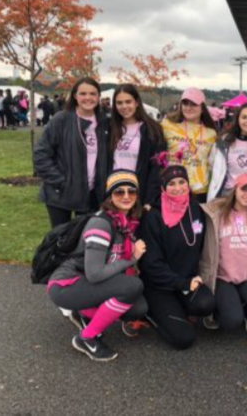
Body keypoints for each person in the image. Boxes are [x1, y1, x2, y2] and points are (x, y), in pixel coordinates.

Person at [47, 170, 148, 362]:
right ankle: (86, 338)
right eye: (119, 192)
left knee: (138, 308)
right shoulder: (101, 224)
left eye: (131, 192)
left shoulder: (126, 222)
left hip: (87, 283)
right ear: (109, 196)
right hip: (67, 284)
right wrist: (131, 258)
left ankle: (84, 313)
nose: (126, 196)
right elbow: (94, 274)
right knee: (132, 287)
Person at [139, 164, 215, 349]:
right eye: (171, 183)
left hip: (187, 280)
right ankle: (148, 313)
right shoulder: (153, 217)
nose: (178, 187)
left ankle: (175, 311)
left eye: (182, 181)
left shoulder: (196, 209)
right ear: (163, 188)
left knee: (207, 304)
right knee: (183, 339)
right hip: (159, 285)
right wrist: (182, 283)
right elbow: (151, 265)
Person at [199, 173, 247, 335]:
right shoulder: (216, 213)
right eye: (244, 189)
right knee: (231, 321)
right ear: (234, 189)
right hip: (222, 277)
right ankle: (220, 309)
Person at [34, 77, 109, 228]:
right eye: (83, 93)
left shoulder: (105, 122)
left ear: (98, 96)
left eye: (93, 94)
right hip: (61, 194)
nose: (88, 98)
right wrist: (60, 182)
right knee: (61, 240)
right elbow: (41, 154)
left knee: (87, 240)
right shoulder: (61, 119)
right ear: (75, 95)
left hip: (93, 194)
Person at [108, 84, 167, 211]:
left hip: (138, 193)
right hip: (113, 192)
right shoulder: (109, 127)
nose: (124, 106)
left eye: (128, 101)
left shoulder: (153, 130)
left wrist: (149, 199)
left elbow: (157, 167)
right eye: (119, 103)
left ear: (137, 103)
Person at [162, 88, 217, 203]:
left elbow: (213, 163)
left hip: (200, 191)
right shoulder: (167, 125)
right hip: (174, 189)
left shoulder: (211, 133)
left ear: (202, 108)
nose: (188, 107)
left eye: (194, 104)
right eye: (185, 103)